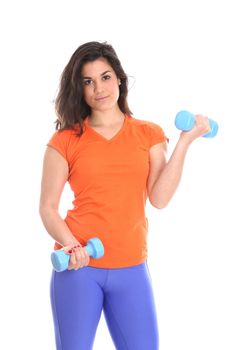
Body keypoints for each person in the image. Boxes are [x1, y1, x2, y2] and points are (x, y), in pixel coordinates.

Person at [39, 41, 211, 350]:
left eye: (105, 77)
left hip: (132, 267)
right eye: (87, 81)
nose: (99, 88)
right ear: (79, 88)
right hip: (79, 267)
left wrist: (185, 142)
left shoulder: (148, 133)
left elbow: (159, 198)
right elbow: (48, 208)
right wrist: (71, 245)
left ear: (119, 78)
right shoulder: (64, 140)